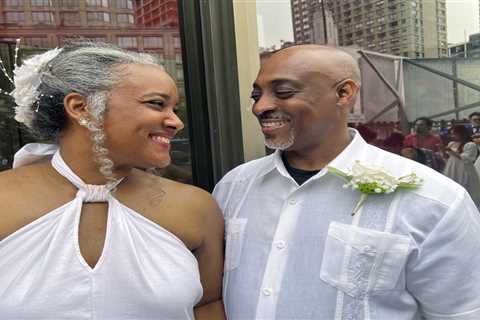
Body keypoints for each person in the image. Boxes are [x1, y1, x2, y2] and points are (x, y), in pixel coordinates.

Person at [213, 45, 480, 319]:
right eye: (256, 95)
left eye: (283, 92)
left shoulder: (434, 200)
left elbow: (462, 312)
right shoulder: (234, 187)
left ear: (344, 93)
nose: (260, 107)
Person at [0, 42, 225, 319]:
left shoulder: (196, 207)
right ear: (81, 107)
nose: (176, 122)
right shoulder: (4, 200)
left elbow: (208, 304)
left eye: (174, 108)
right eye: (157, 103)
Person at [442, 125, 480, 208]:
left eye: (455, 134)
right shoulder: (451, 143)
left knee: (466, 185)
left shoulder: (470, 145)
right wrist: (442, 149)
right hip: (452, 166)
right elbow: (447, 157)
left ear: (462, 133)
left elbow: (466, 158)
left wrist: (450, 151)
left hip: (464, 168)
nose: (453, 136)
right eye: (452, 134)